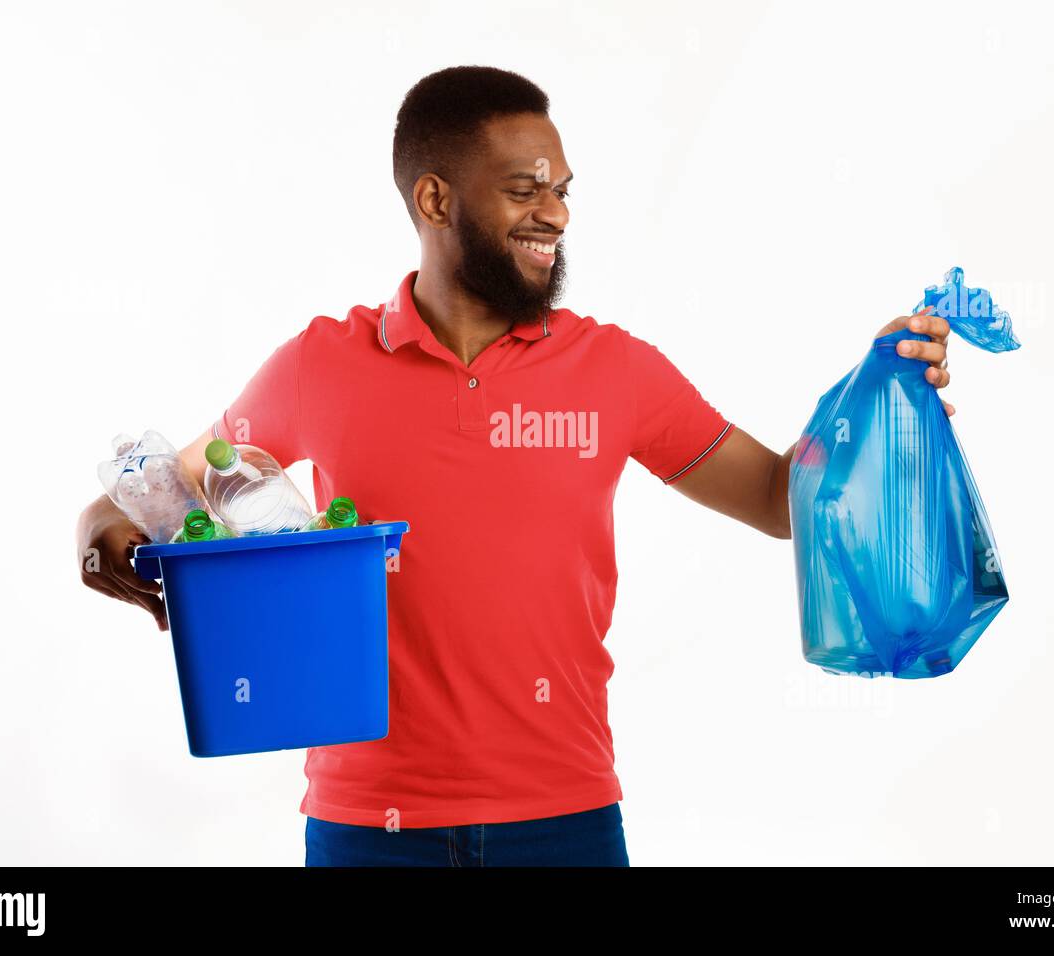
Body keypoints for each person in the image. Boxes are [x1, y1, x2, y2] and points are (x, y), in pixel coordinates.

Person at [76, 65, 954, 867]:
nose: (557, 214)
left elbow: (777, 499)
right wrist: (95, 528)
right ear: (434, 198)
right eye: (525, 190)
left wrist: (880, 412)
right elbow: (174, 484)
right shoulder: (319, 365)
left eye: (563, 191)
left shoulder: (616, 371)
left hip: (564, 820)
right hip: (365, 823)